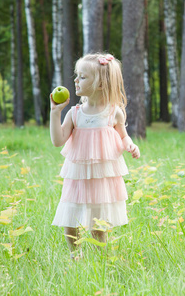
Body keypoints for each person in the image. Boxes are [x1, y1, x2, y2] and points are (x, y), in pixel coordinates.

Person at [50, 53, 140, 257]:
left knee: (99, 225)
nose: (75, 80)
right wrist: (55, 112)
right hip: (78, 176)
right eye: (77, 75)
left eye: (82, 77)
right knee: (70, 221)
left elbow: (124, 136)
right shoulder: (75, 113)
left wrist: (131, 145)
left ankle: (101, 258)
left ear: (100, 84)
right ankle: (75, 256)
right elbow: (57, 140)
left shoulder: (113, 113)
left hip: (102, 176)